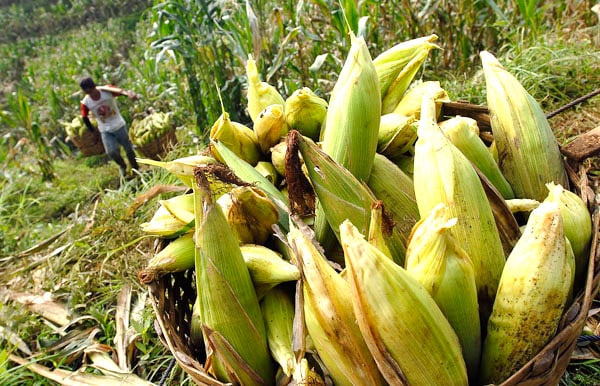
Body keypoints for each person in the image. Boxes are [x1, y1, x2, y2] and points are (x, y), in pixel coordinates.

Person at [79, 77, 139, 177]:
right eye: (88, 93)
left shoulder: (107, 91)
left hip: (119, 125)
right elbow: (84, 117)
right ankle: (122, 166)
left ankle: (135, 168)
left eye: (91, 91)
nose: (91, 95)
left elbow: (122, 92)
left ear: (93, 88)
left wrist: (130, 95)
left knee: (129, 149)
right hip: (105, 129)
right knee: (111, 152)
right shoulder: (86, 102)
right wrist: (93, 131)